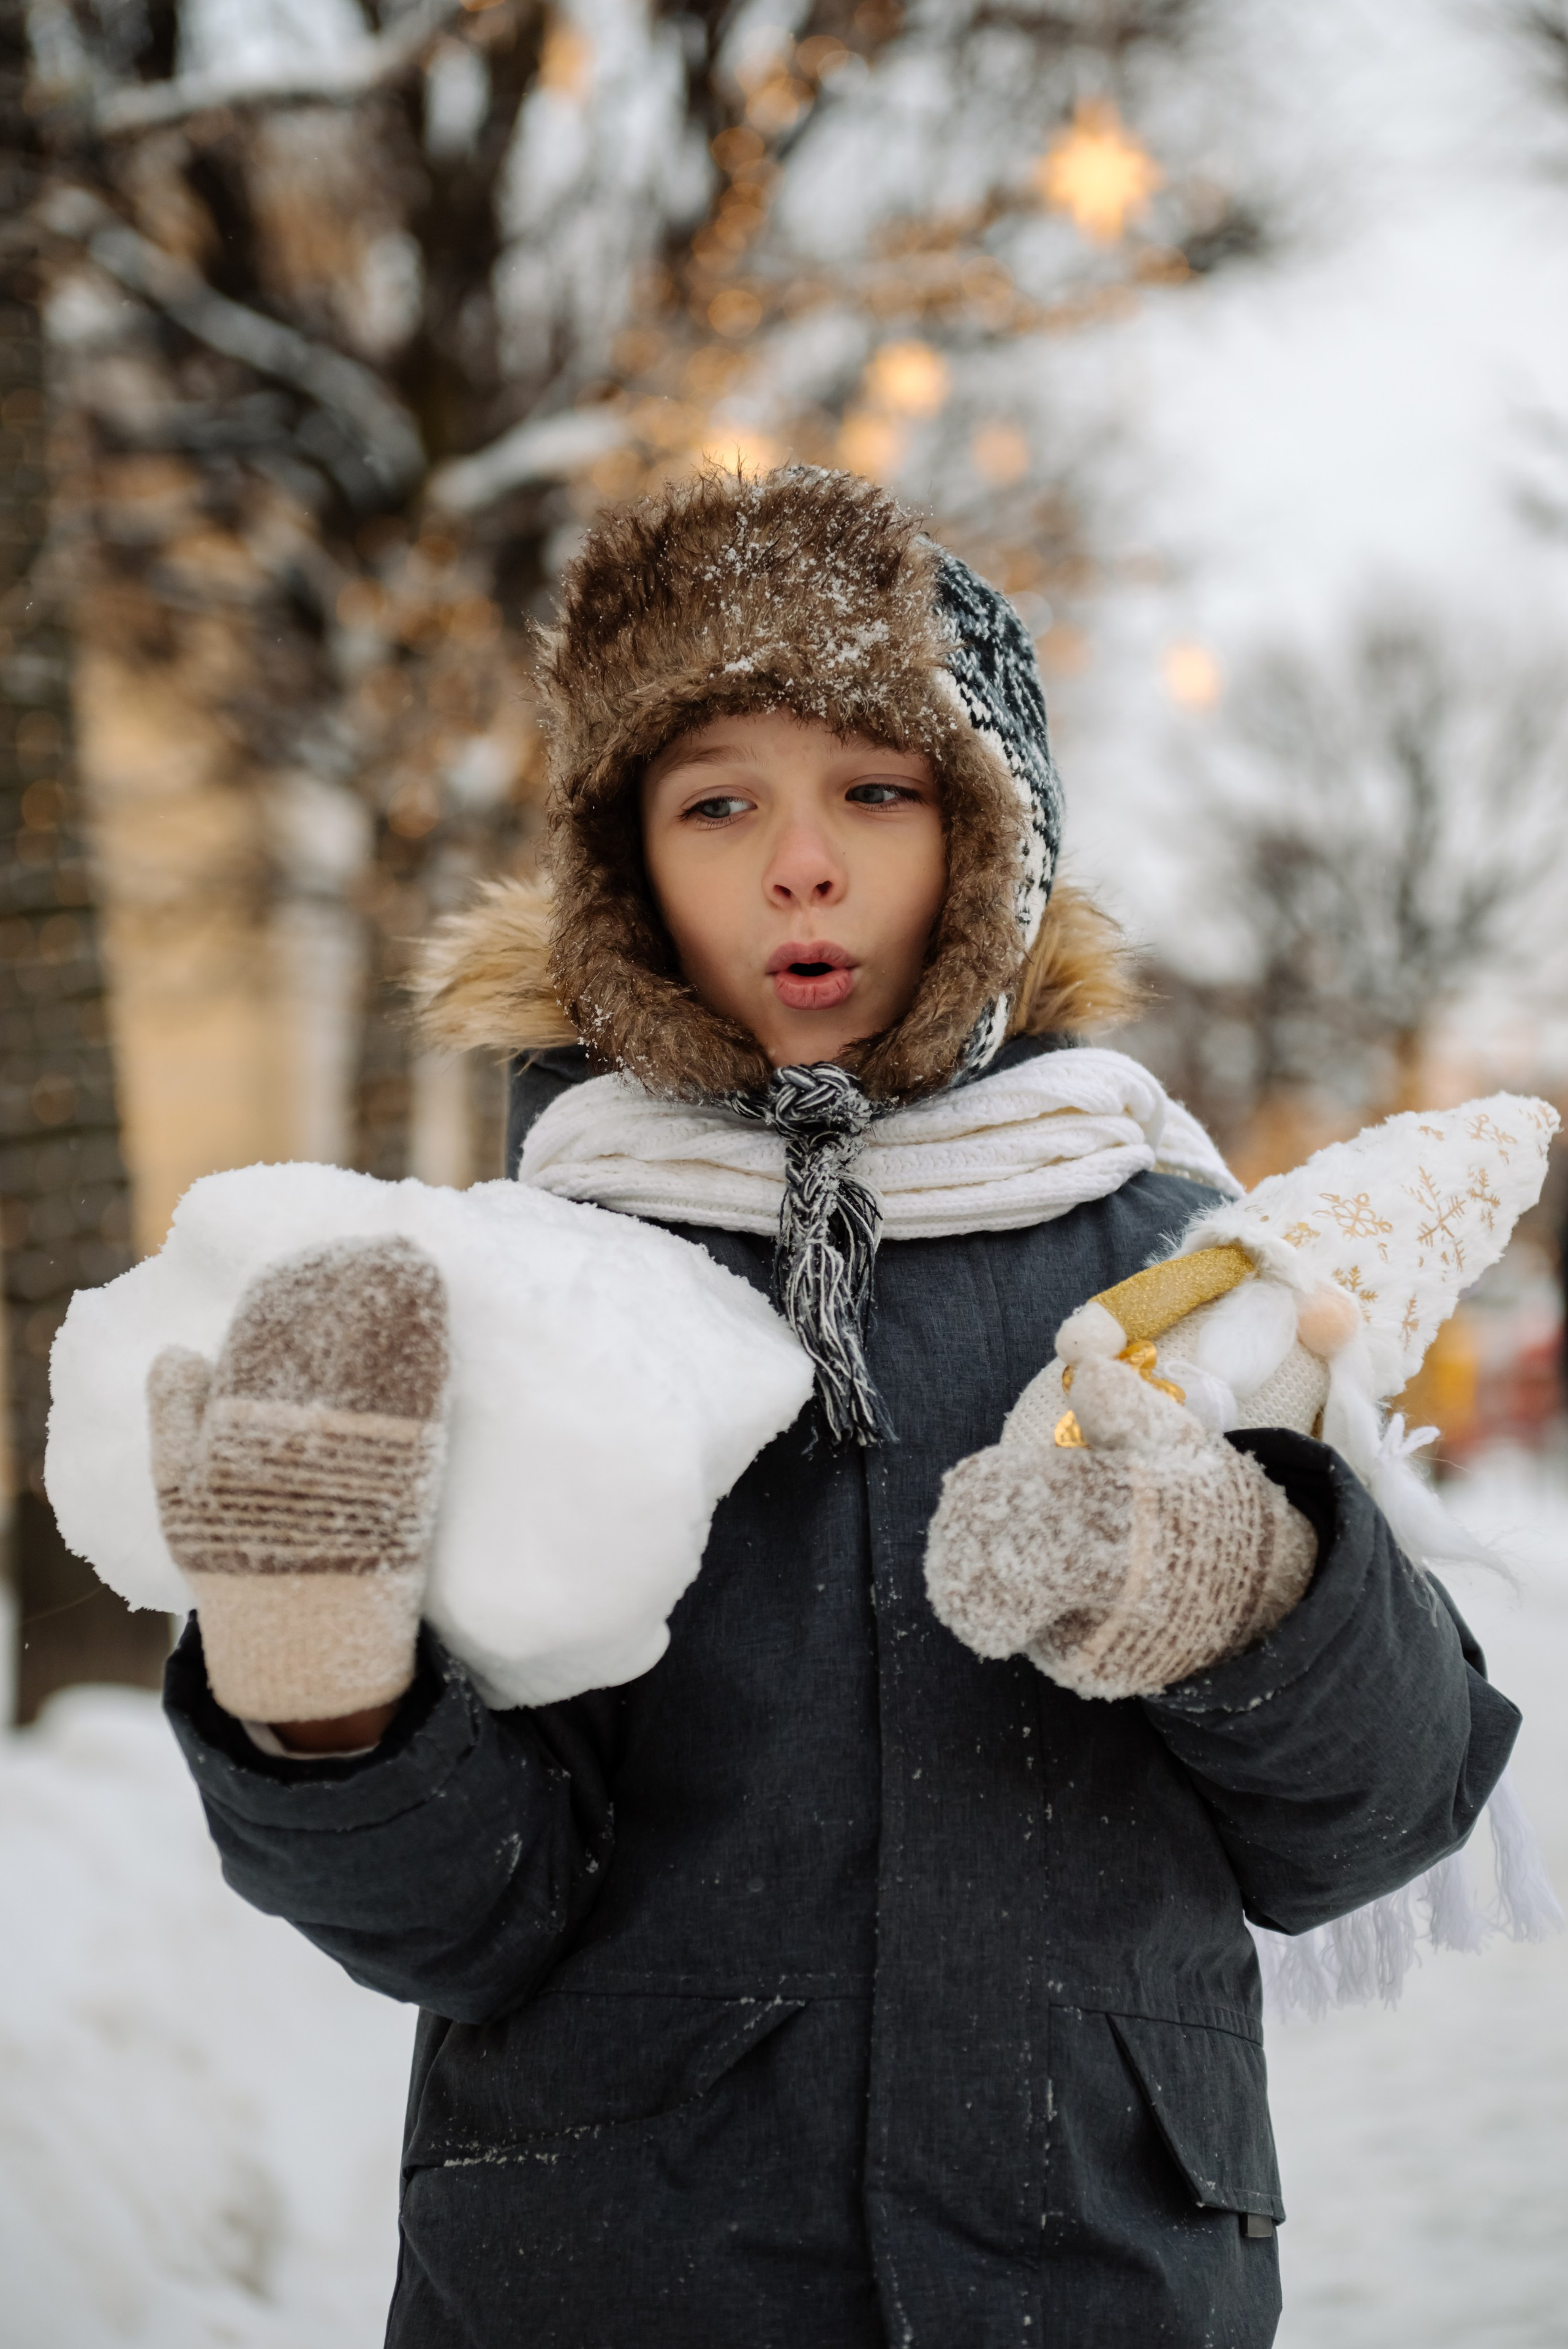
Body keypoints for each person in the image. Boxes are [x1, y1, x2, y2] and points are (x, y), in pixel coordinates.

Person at [157, 468, 1519, 2349]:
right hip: (611, 2277)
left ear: (984, 839)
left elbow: (1374, 1814)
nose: (802, 863)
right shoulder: (531, 1276)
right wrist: (324, 1685)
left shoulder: (1182, 1255)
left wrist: (1245, 1580)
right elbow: (461, 1924)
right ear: (631, 869)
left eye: (875, 791)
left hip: (1098, 2269)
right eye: (718, 801)